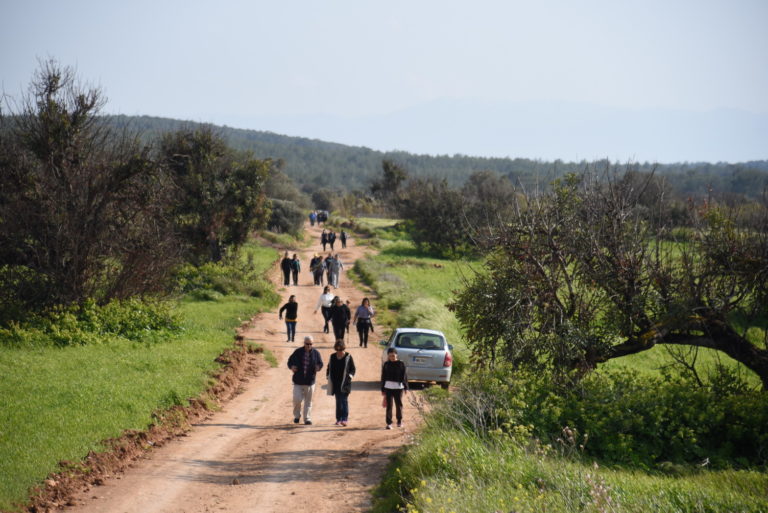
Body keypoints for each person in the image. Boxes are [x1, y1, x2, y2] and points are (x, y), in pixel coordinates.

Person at [287, 336, 323, 425]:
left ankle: (307, 418)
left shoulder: (316, 353)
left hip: (310, 382)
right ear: (304, 343)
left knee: (308, 401)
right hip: (298, 381)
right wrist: (291, 367)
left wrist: (318, 367)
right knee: (297, 399)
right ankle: (296, 416)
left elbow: (320, 363)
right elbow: (289, 361)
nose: (309, 346)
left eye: (311, 344)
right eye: (307, 344)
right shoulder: (298, 352)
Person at [326, 340, 356, 426]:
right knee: (338, 401)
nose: (339, 352)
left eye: (341, 350)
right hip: (335, 383)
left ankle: (344, 419)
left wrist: (350, 377)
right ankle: (338, 419)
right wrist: (328, 376)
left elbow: (353, 369)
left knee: (344, 400)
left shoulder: (348, 356)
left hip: (345, 383)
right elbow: (329, 367)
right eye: (337, 350)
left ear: (343, 348)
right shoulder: (332, 356)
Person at [381, 348, 408, 429]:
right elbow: (383, 377)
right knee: (389, 405)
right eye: (390, 356)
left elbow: (404, 376)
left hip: (398, 387)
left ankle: (399, 421)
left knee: (398, 404)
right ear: (388, 356)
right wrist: (382, 389)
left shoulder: (401, 364)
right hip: (388, 387)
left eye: (393, 355)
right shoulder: (386, 364)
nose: (392, 357)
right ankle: (389, 423)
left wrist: (406, 387)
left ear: (396, 355)